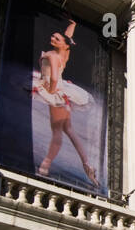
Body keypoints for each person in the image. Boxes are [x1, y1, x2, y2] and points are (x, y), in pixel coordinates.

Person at [31, 18, 98, 187]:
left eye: (57, 39)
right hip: (62, 91)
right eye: (53, 36)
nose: (53, 38)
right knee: (68, 129)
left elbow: (53, 78)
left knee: (58, 131)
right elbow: (67, 36)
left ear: (64, 45)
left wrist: (51, 91)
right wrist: (73, 25)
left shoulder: (53, 56)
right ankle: (87, 164)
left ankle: (45, 165)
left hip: (57, 92)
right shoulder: (64, 53)